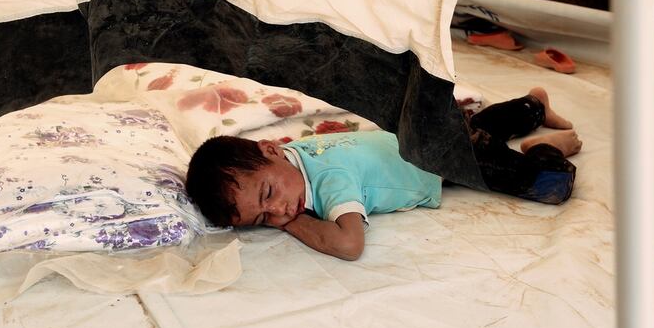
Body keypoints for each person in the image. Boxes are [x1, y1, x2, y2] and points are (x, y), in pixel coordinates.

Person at [185, 87, 581, 261]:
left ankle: (548, 149)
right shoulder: (291, 155)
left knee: (551, 184)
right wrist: (275, 207)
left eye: (269, 195)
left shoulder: (328, 179)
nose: (280, 211)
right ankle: (532, 105)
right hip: (428, 136)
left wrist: (292, 224)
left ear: (271, 149)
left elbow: (349, 245)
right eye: (263, 219)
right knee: (478, 129)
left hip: (446, 160)